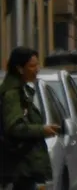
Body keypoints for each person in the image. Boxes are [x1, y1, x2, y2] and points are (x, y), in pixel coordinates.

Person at [0, 47, 60, 190]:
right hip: (18, 169)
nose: (37, 69)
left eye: (37, 65)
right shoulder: (12, 94)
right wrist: (42, 130)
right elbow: (15, 127)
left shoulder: (22, 90)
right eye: (32, 66)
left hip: (23, 169)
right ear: (20, 69)